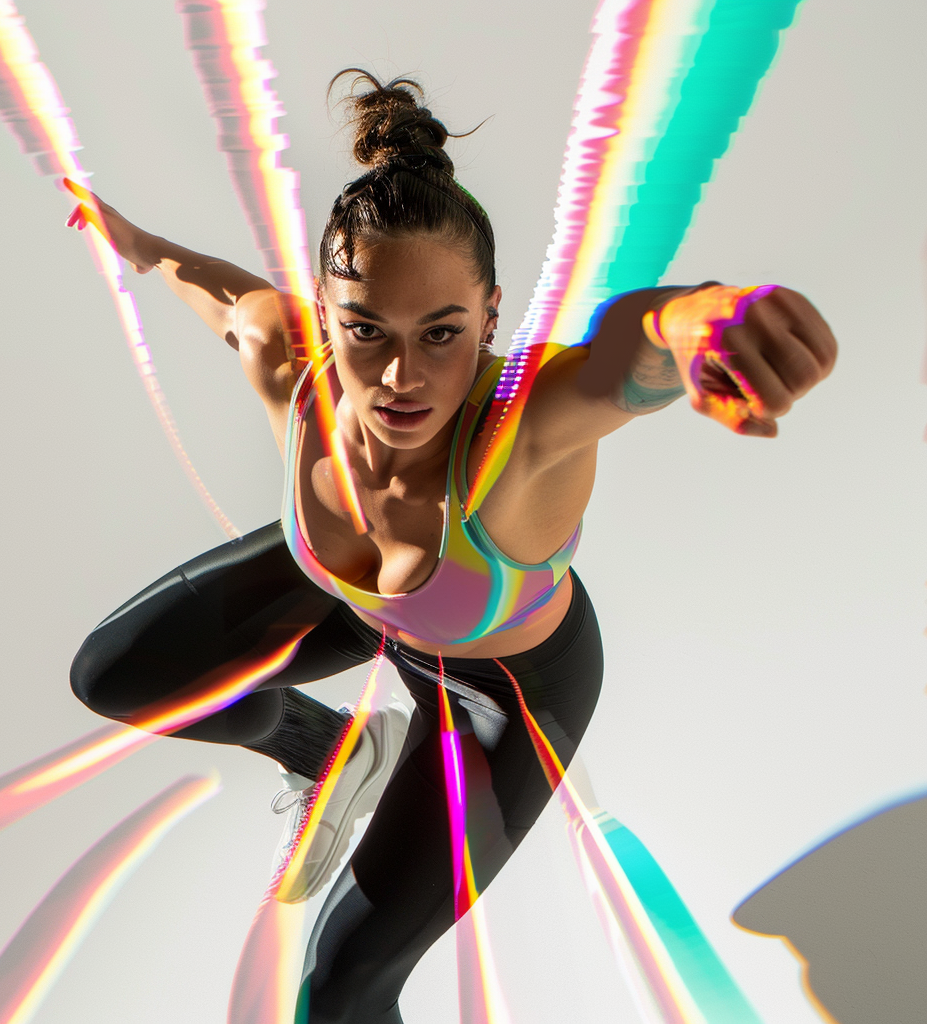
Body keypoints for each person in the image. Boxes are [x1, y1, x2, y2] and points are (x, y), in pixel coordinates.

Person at [67, 72, 836, 1024]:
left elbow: (622, 351)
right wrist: (140, 248)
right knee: (120, 674)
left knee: (340, 986)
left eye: (442, 334)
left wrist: (699, 318)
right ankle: (325, 750)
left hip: (506, 693)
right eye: (364, 331)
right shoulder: (292, 368)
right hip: (368, 613)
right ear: (327, 314)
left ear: (491, 315)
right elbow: (229, 296)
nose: (400, 376)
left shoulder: (523, 431)